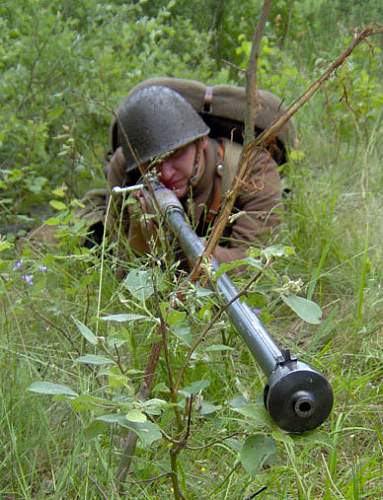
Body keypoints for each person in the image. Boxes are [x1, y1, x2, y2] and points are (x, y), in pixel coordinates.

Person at [104, 79, 295, 264]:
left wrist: (189, 252)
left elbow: (256, 263)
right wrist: (138, 241)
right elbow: (114, 264)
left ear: (202, 140)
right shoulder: (125, 167)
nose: (166, 173)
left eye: (175, 154)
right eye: (151, 163)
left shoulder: (253, 167)